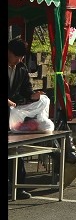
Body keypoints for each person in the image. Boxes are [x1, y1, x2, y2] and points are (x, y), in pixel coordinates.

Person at [8, 40, 40, 200]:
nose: (19, 60)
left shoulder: (21, 68)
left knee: (16, 150)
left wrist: (35, 96)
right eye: (16, 56)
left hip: (13, 115)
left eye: (21, 57)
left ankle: (18, 187)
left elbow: (26, 90)